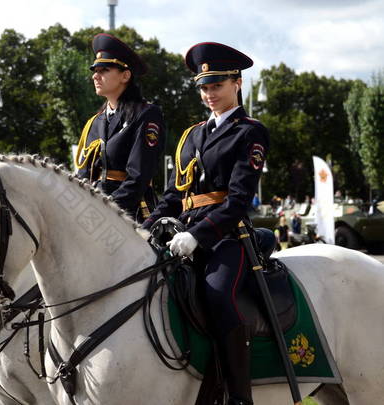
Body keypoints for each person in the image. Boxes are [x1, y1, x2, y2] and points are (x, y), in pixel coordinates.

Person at [143, 42, 269, 405]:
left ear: (237, 83)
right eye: (204, 87)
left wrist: (198, 235)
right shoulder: (191, 135)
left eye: (216, 85)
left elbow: (238, 201)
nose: (209, 94)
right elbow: (172, 195)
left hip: (227, 238)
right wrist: (143, 225)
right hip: (181, 234)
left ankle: (238, 396)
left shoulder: (250, 132)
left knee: (217, 295)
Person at [75, 33, 165, 223]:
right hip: (92, 215)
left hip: (132, 216)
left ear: (125, 75)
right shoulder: (94, 123)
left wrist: (104, 211)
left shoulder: (146, 114)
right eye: (94, 70)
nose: (95, 76)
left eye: (104, 70)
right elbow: (82, 176)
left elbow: (138, 177)